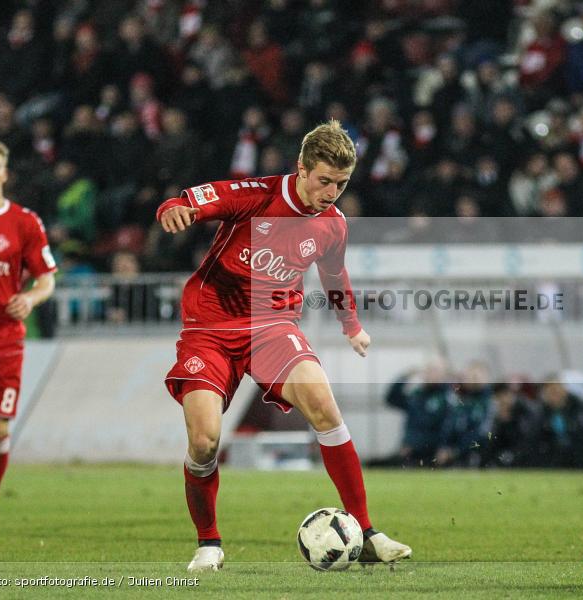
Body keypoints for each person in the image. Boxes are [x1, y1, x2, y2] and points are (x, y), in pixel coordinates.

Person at [156, 120, 411, 572]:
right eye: (324, 180)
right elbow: (195, 199)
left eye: (341, 183)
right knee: (204, 441)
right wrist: (173, 208)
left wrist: (351, 326)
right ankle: (209, 542)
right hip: (210, 327)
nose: (331, 192)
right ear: (301, 169)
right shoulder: (257, 195)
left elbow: (335, 274)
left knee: (325, 406)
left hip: (273, 326)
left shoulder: (333, 225)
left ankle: (367, 533)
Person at [0, 137, 56, 533]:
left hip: (2, 346)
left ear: (5, 173)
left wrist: (31, 298)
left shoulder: (24, 222)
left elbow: (46, 278)